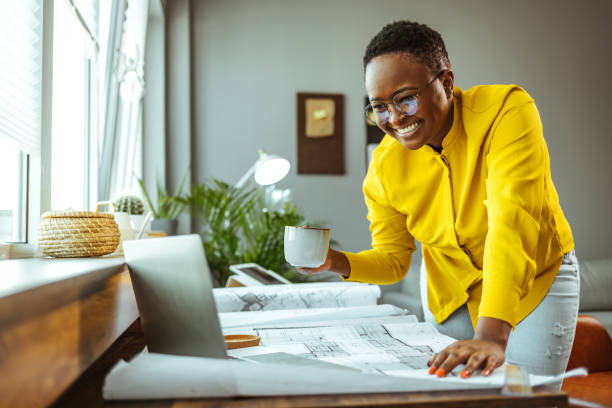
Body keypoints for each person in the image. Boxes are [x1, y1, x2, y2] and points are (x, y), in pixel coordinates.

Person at [301, 20, 579, 383]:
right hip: (451, 295)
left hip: (533, 283)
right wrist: (334, 261)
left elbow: (512, 221)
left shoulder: (506, 111)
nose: (395, 118)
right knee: (454, 399)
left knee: (525, 398)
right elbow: (393, 259)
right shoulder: (384, 168)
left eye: (405, 98)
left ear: (446, 82)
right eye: (379, 106)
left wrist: (491, 337)